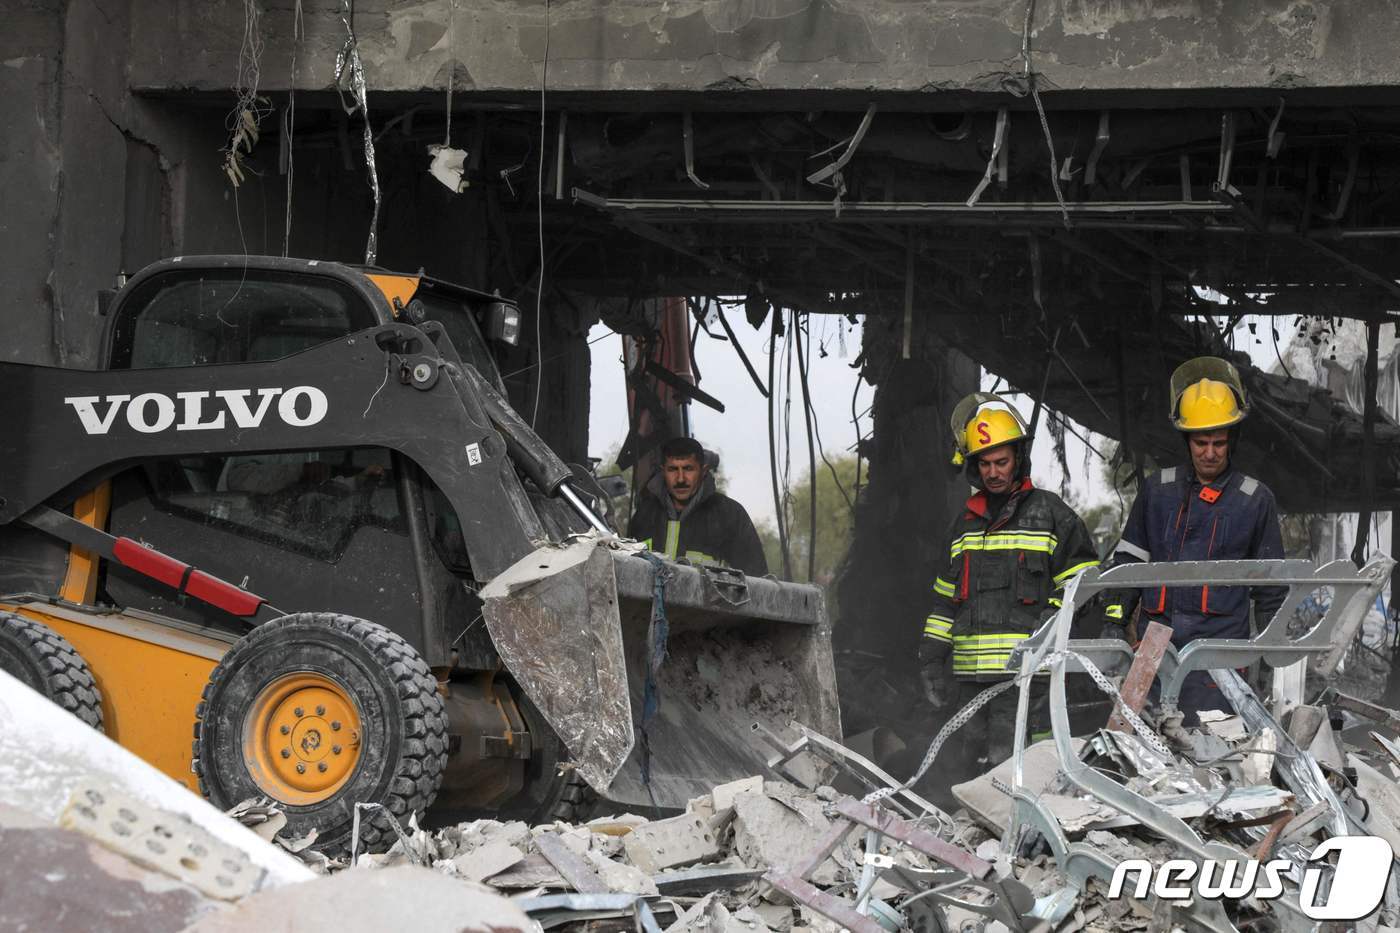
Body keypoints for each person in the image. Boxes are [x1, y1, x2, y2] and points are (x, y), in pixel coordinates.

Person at [920, 393, 1100, 773]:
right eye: (984, 464)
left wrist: (1043, 639)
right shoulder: (963, 526)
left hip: (1027, 681)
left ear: (1018, 458)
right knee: (968, 770)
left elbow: (1081, 589)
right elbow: (943, 603)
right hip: (969, 682)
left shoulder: (1053, 516)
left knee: (1014, 768)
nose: (993, 472)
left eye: (1001, 461)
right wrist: (932, 661)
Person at [1101, 356, 1285, 726]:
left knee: (1216, 754)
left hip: (1221, 660)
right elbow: (1127, 566)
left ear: (1232, 440)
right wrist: (1112, 622)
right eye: (1201, 442)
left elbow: (1271, 592)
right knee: (1139, 745)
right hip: (1154, 654)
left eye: (1219, 442)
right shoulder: (1157, 491)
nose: (1210, 453)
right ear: (1186, 439)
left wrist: (1268, 660)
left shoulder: (1255, 499)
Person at [628, 436, 768, 576]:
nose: (680, 479)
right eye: (673, 469)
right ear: (663, 471)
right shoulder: (644, 516)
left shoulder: (730, 516)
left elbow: (758, 583)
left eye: (688, 469)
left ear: (703, 471)